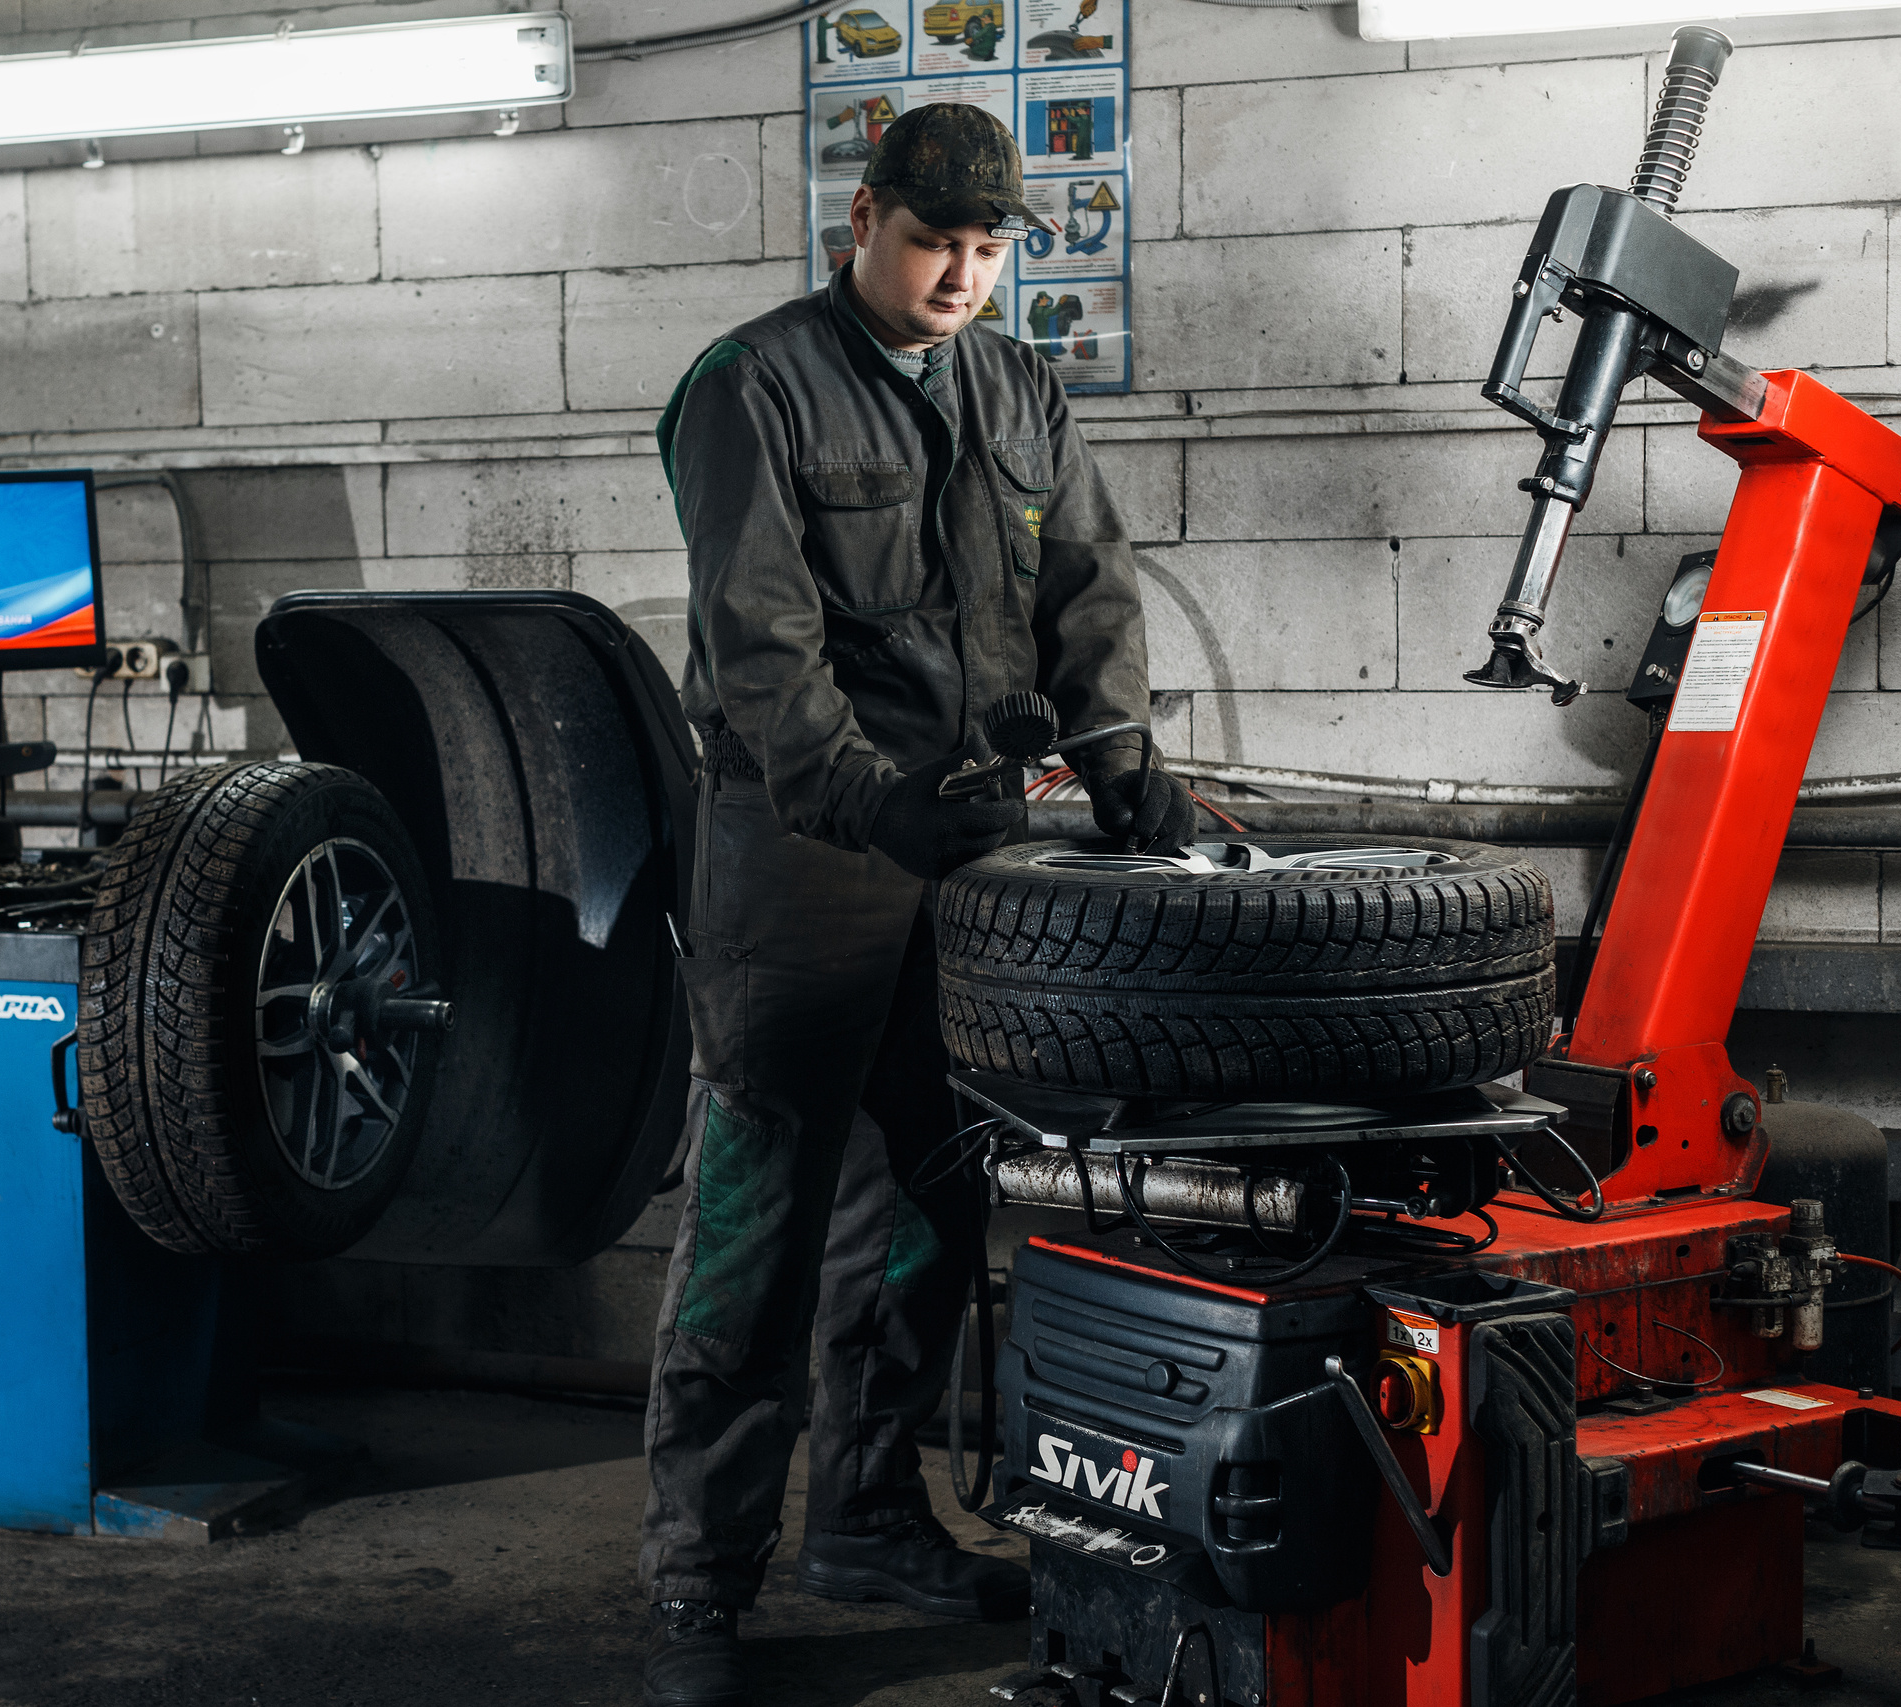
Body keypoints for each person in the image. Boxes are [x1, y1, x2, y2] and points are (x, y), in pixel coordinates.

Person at [637, 102, 1195, 1707]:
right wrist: (869, 797)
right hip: (802, 855)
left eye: (989, 246)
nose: (962, 273)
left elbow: (1088, 585)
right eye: (935, 240)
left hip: (970, 855)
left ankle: (872, 1521)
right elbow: (761, 645)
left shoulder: (1020, 387)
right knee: (760, 1214)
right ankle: (699, 1578)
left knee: (934, 1205)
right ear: (862, 220)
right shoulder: (753, 385)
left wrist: (1121, 767)